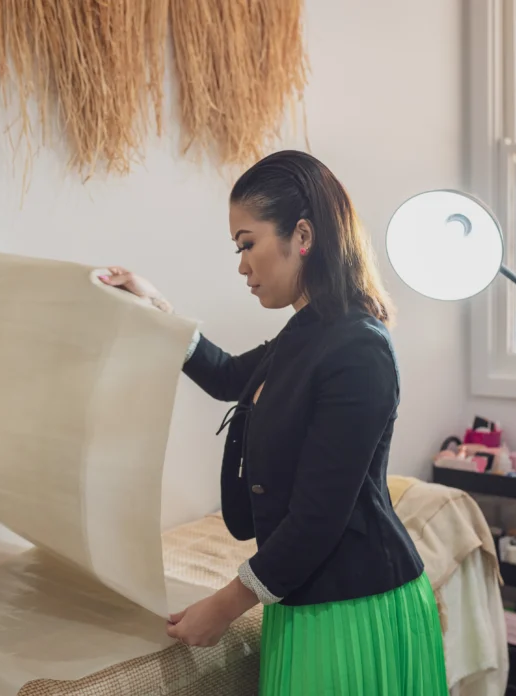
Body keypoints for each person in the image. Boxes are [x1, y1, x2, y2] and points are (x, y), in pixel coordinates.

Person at [99, 150, 448, 695]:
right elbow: (227, 376)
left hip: (353, 603)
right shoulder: (306, 334)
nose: (241, 265)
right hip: (302, 595)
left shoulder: (357, 347)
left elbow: (318, 518)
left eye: (247, 244)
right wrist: (155, 311)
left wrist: (224, 605)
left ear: (302, 235)